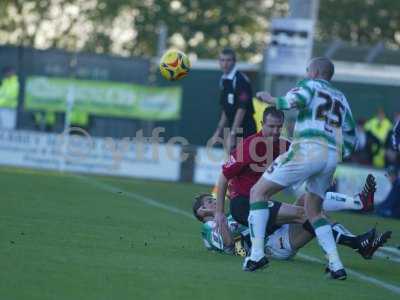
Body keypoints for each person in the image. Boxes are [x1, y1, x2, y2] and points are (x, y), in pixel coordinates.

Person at [250, 57, 356, 279]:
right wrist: (338, 155)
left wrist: (271, 99)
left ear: (315, 72)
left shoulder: (310, 85)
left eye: (308, 70)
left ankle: (256, 255)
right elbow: (351, 136)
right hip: (330, 157)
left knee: (258, 192)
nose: (306, 74)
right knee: (314, 211)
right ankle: (336, 265)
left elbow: (293, 101)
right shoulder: (342, 98)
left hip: (308, 149)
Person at [193, 194, 391, 261]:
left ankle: (358, 205)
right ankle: (357, 241)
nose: (215, 202)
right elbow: (229, 245)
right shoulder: (209, 226)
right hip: (272, 246)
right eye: (210, 202)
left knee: (308, 200)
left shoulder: (227, 216)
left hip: (273, 234)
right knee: (310, 211)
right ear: (202, 211)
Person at [210, 48, 256, 151]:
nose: (225, 64)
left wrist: (233, 134)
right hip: (232, 130)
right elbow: (225, 109)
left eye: (228, 60)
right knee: (230, 163)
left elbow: (242, 109)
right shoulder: (223, 80)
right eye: (222, 60)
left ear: (234, 62)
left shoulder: (241, 80)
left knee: (242, 163)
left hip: (245, 131)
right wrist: (218, 132)